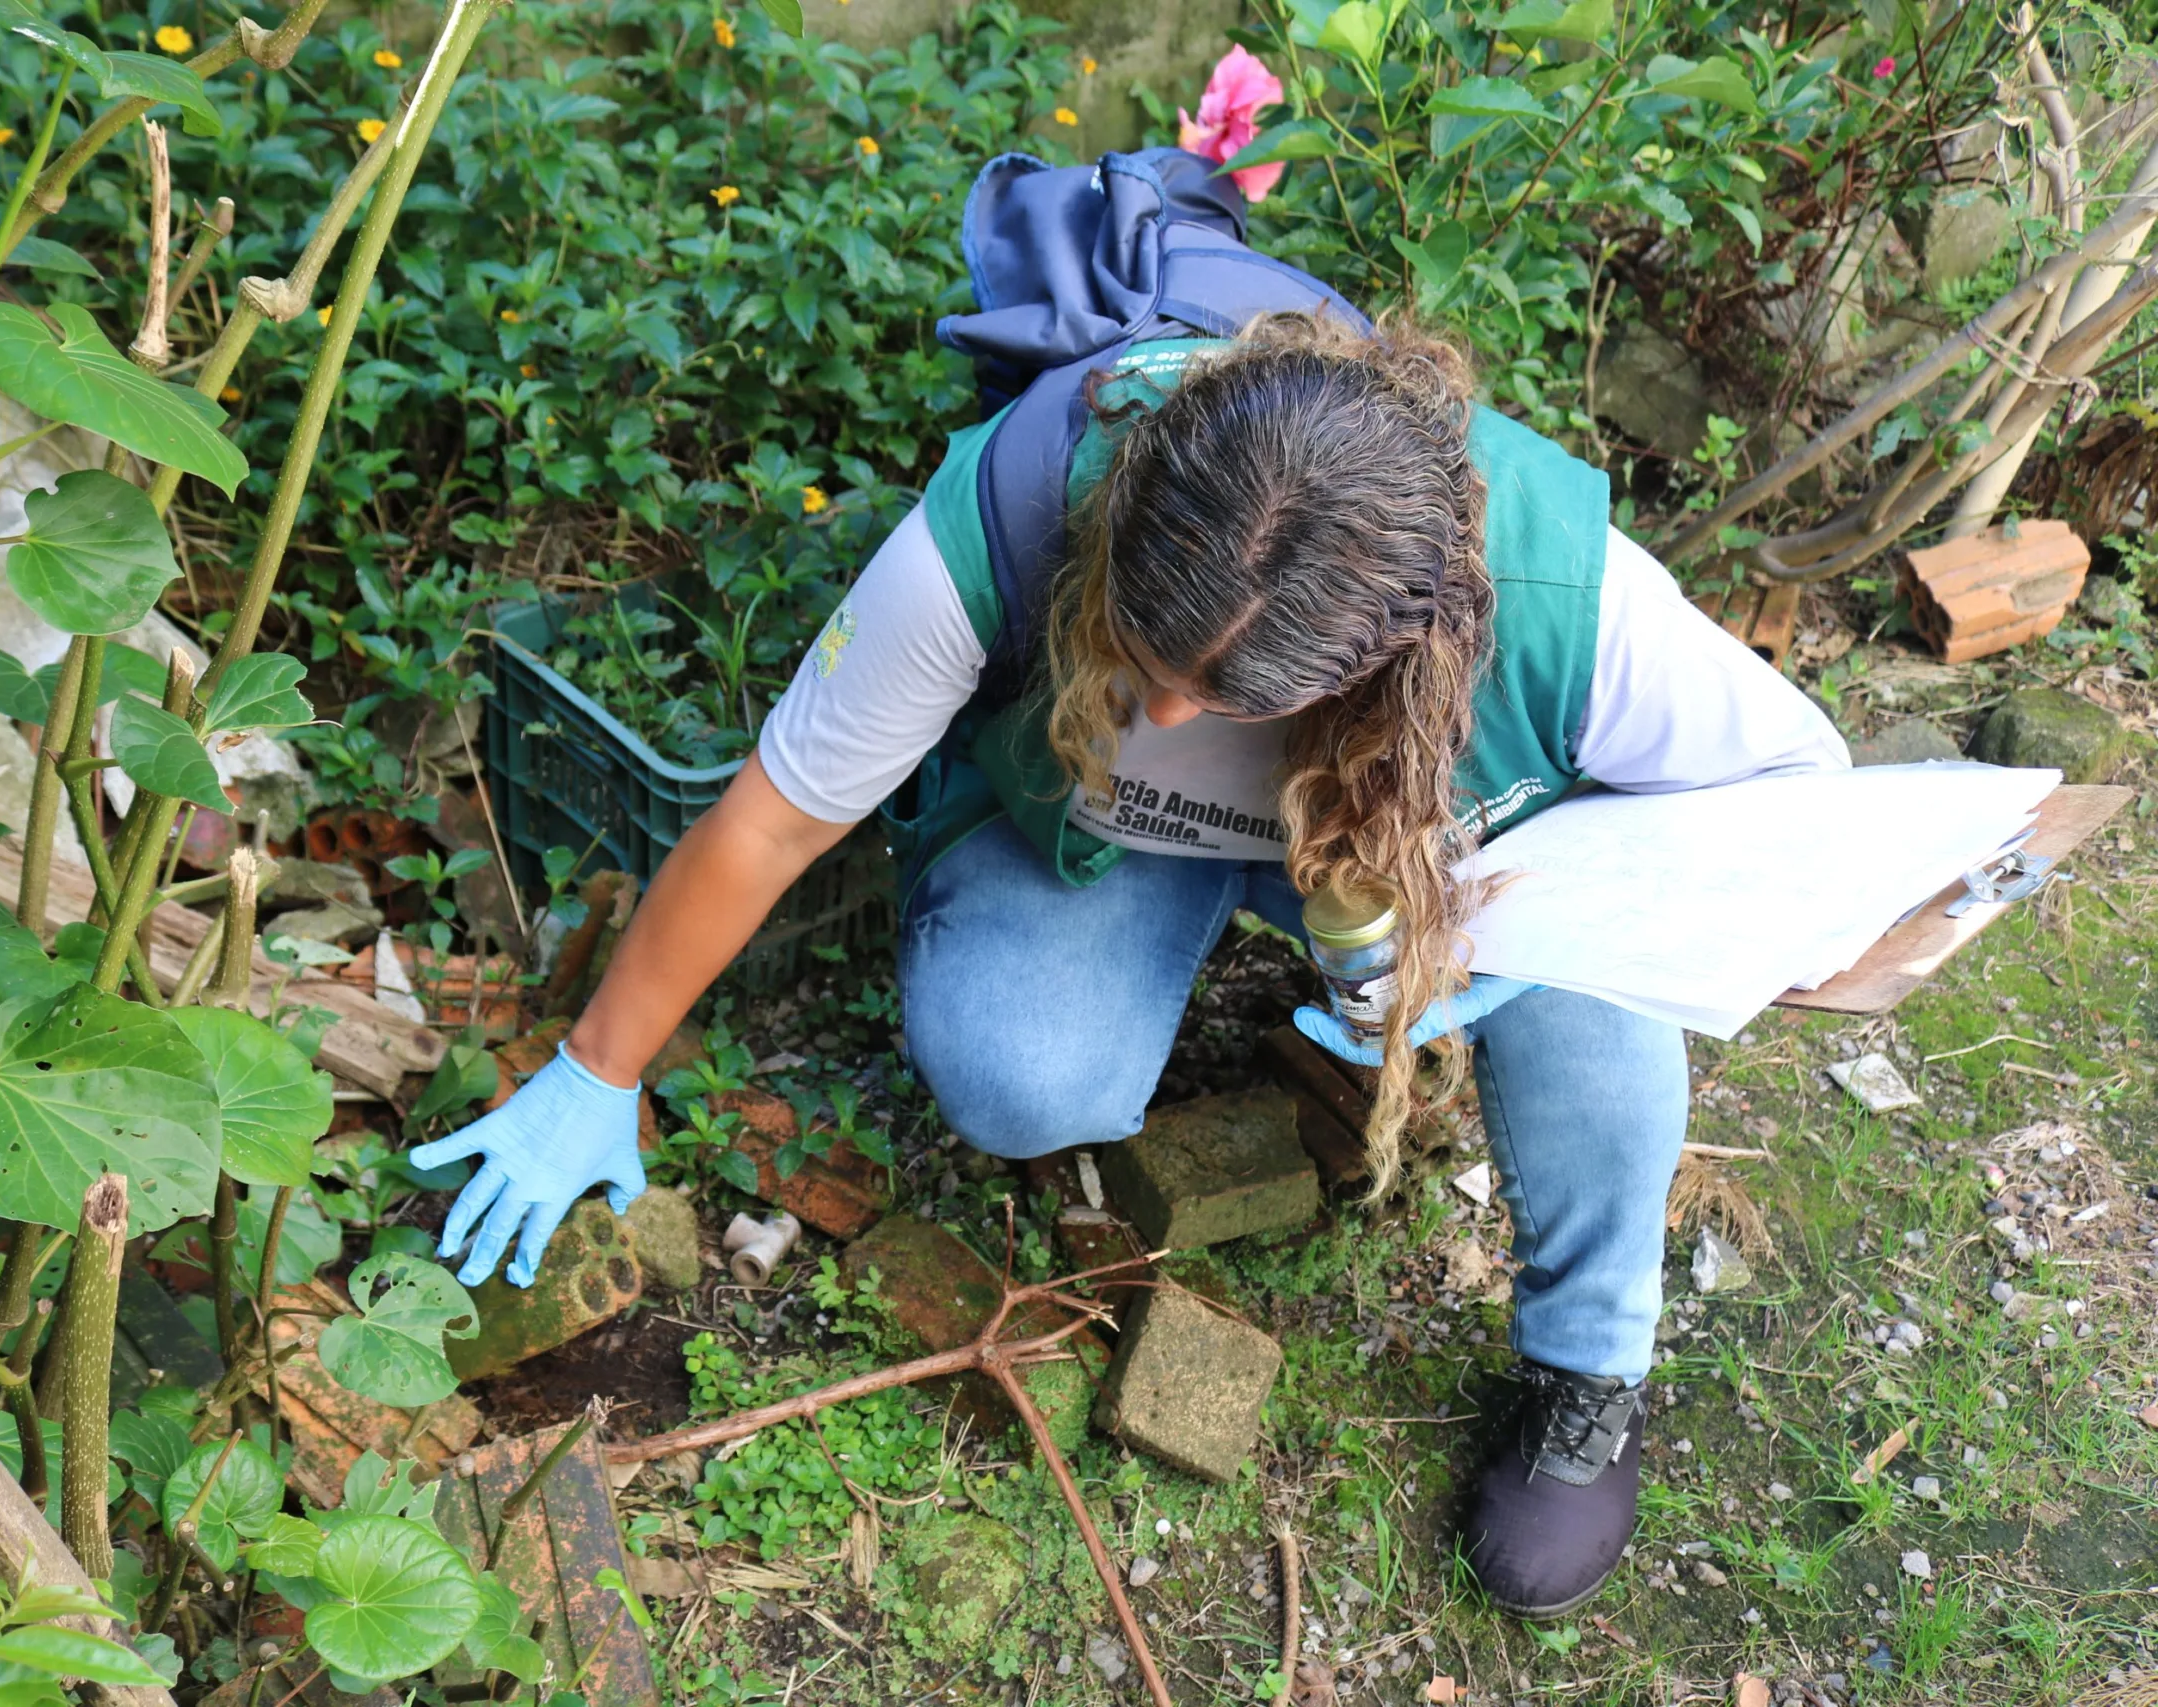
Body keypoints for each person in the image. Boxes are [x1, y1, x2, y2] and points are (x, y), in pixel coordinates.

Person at [409, 149, 1845, 1620]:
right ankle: (1170, 921)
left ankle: (1588, 1365)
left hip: (1421, 843)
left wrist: (1564, 921)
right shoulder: (1020, 508)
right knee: (1018, 1069)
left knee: (1604, 999)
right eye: (1145, 668)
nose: (1164, 718)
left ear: (1388, 653)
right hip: (1117, 842)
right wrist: (598, 1067)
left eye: (1219, 697)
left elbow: (1799, 795)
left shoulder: (1567, 606)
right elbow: (775, 819)